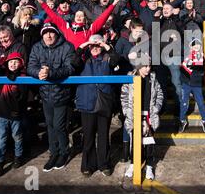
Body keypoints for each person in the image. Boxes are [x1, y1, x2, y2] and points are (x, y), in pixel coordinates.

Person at [27, 23, 76, 172]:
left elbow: (70, 68)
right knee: (50, 125)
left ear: (56, 33)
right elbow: (31, 66)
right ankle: (53, 153)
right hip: (45, 94)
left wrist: (51, 73)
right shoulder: (37, 47)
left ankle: (63, 152)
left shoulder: (67, 46)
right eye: (45, 33)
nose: (48, 36)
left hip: (61, 93)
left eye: (51, 32)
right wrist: (38, 73)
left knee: (59, 125)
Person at [74, 35, 120, 177]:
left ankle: (104, 164)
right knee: (88, 136)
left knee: (103, 135)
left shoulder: (107, 58)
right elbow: (73, 62)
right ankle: (88, 165)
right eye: (92, 46)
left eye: (97, 45)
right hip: (87, 102)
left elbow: (116, 60)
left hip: (104, 102)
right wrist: (85, 43)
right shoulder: (83, 60)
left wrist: (105, 45)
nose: (95, 48)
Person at [122, 53, 163, 181]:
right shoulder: (130, 78)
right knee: (135, 141)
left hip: (149, 115)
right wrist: (127, 111)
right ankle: (134, 164)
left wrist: (156, 108)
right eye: (145, 66)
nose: (148, 68)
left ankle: (149, 166)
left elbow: (160, 94)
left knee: (149, 142)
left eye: (149, 65)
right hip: (135, 115)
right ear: (139, 66)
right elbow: (124, 96)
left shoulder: (153, 78)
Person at [0, 53, 28, 177]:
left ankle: (18, 156)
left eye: (16, 62)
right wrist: (1, 61)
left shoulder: (23, 77)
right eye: (10, 62)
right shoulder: (2, 73)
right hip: (1, 113)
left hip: (15, 113)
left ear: (21, 63)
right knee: (1, 139)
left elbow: (23, 97)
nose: (13, 64)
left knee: (17, 136)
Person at [179, 38, 205, 133]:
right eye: (194, 45)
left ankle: (204, 120)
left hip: (196, 84)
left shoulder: (201, 56)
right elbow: (182, 69)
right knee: (184, 103)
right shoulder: (187, 57)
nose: (196, 46)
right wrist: (186, 66)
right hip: (186, 83)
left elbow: (199, 66)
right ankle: (182, 120)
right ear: (190, 47)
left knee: (200, 102)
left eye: (198, 45)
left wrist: (191, 64)